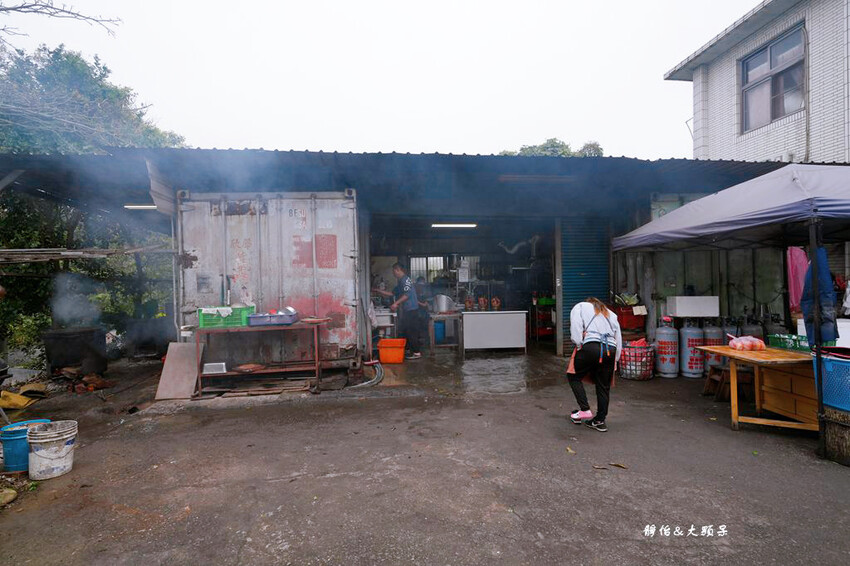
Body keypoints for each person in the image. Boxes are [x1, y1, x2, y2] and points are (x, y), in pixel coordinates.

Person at [567, 297, 622, 432]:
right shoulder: (611, 314)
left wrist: (579, 343)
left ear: (588, 302)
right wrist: (616, 359)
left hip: (591, 346)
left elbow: (576, 327)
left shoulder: (581, 306)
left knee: (573, 375)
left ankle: (585, 409)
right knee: (603, 386)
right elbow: (618, 337)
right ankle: (599, 420)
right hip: (611, 349)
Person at [372, 263, 423, 360]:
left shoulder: (405, 280)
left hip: (412, 309)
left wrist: (396, 304)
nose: (393, 273)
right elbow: (392, 293)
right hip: (407, 310)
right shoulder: (400, 282)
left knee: (412, 331)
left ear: (398, 270)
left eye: (393, 271)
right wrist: (378, 290)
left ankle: (417, 352)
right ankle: (408, 349)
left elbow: (407, 295)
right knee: (405, 330)